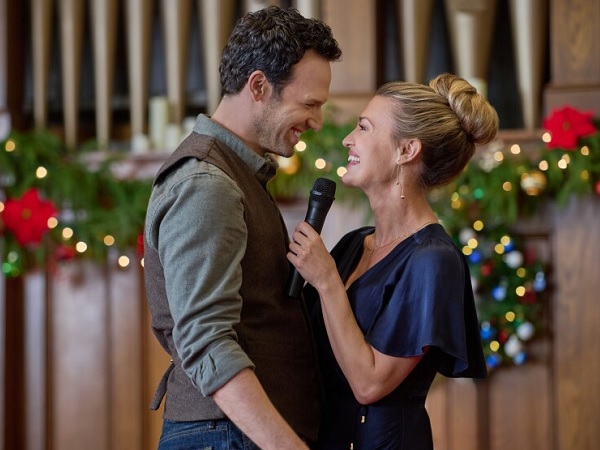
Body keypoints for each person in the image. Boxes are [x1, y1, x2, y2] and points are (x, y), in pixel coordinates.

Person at [143, 6, 342, 450]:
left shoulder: (235, 174)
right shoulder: (206, 183)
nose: (316, 121)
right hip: (224, 437)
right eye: (309, 104)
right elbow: (207, 342)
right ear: (258, 86)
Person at [287, 73, 497, 450]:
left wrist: (327, 281)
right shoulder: (353, 245)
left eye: (364, 127)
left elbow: (369, 385)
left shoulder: (434, 260)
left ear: (407, 150)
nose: (348, 139)